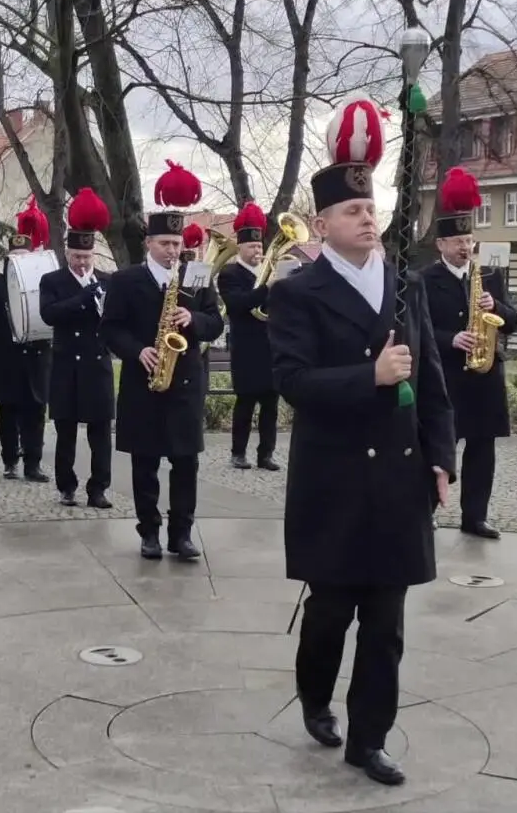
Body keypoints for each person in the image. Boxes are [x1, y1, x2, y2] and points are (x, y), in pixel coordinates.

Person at [265, 98, 456, 786]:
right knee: (330, 613)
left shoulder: (405, 286)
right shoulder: (298, 293)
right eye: (351, 211)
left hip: (399, 482)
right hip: (335, 479)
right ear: (322, 224)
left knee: (387, 624)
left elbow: (432, 379)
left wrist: (441, 457)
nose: (366, 218)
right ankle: (316, 696)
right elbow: (291, 381)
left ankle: (368, 738)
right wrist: (368, 376)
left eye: (370, 208)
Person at [101, 161, 224, 560]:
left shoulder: (196, 276)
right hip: (144, 383)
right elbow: (111, 329)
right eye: (165, 245)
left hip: (187, 382)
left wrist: (194, 319)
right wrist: (138, 350)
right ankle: (149, 531)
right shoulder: (124, 281)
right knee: (146, 463)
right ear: (149, 244)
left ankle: (182, 533)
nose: (174, 251)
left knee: (186, 463)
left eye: (177, 245)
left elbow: (216, 322)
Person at [421, 168, 517, 540]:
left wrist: (498, 307)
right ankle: (427, 510)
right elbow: (422, 328)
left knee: (483, 450)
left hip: (485, 376)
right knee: (439, 446)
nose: (465, 246)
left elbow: (512, 320)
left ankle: (475, 517)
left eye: (469, 239)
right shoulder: (425, 281)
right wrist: (451, 339)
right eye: (458, 240)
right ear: (441, 245)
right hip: (446, 376)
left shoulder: (489, 277)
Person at [38, 188, 114, 509]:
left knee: (100, 433)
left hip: (97, 365)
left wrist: (101, 302)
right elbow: (49, 314)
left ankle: (98, 488)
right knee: (66, 430)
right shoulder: (53, 281)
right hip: (66, 364)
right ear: (67, 255)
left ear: (93, 256)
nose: (83, 263)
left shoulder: (107, 280)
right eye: (77, 258)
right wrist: (82, 298)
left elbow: (116, 319)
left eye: (87, 258)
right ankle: (66, 486)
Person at [0, 198, 53, 482]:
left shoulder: (44, 281)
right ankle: (10, 461)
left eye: (24, 255)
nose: (19, 260)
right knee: (8, 410)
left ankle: (33, 463)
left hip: (37, 355)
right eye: (14, 256)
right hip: (7, 357)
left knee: (36, 410)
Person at [216, 200, 282, 471]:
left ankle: (266, 454)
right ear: (240, 247)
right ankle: (238, 453)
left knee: (271, 404)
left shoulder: (271, 272)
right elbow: (237, 304)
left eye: (259, 246)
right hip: (246, 347)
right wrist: (266, 288)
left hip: (272, 345)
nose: (258, 250)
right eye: (252, 246)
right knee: (245, 402)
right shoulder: (229, 274)